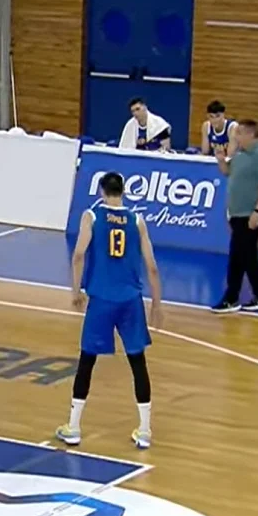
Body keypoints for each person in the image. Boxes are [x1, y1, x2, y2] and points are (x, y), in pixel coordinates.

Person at [56, 172, 161, 450]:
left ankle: (74, 427)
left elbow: (79, 255)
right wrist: (157, 304)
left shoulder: (91, 216)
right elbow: (152, 266)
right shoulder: (137, 220)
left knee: (87, 361)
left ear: (102, 191)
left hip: (102, 298)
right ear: (123, 191)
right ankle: (145, 430)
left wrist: (76, 291)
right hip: (130, 300)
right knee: (137, 362)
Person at [212, 120, 258, 313]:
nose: (235, 136)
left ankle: (241, 296)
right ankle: (256, 295)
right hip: (238, 214)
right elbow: (228, 172)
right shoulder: (240, 154)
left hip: (251, 214)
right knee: (243, 255)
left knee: (242, 255)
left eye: (239, 133)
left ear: (250, 134)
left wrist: (257, 211)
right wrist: (221, 160)